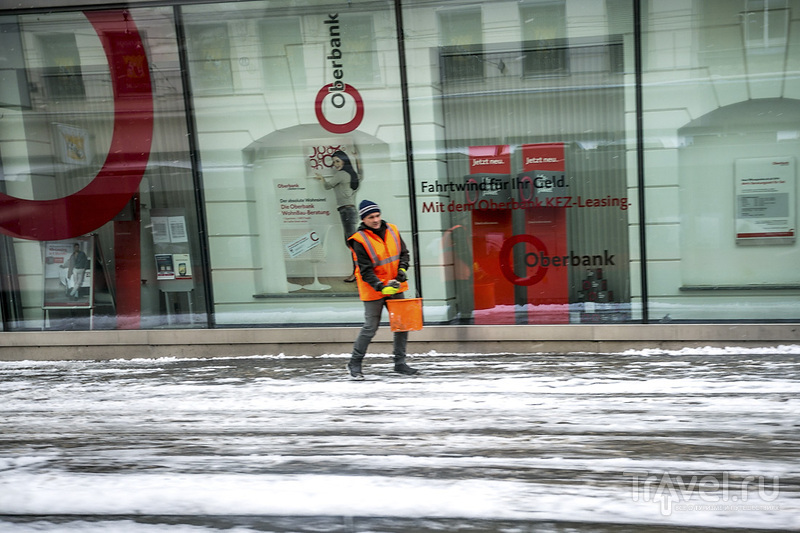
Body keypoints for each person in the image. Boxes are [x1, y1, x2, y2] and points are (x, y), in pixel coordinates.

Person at [346, 199, 418, 379]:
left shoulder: (392, 230)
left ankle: (400, 363)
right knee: (370, 327)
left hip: (394, 285)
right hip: (373, 289)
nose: (376, 220)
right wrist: (380, 287)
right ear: (364, 220)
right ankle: (355, 363)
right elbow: (365, 271)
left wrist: (402, 270)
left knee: (402, 325)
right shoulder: (359, 240)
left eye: (377, 215)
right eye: (371, 217)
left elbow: (404, 253)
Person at [315, 150, 361, 282]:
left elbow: (328, 186)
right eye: (333, 162)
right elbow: (360, 173)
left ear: (344, 161)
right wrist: (357, 159)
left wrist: (322, 179)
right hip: (349, 211)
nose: (335, 164)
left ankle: (357, 274)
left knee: (352, 245)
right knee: (352, 244)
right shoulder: (352, 175)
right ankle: (358, 273)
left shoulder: (341, 174)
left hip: (346, 211)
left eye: (337, 161)